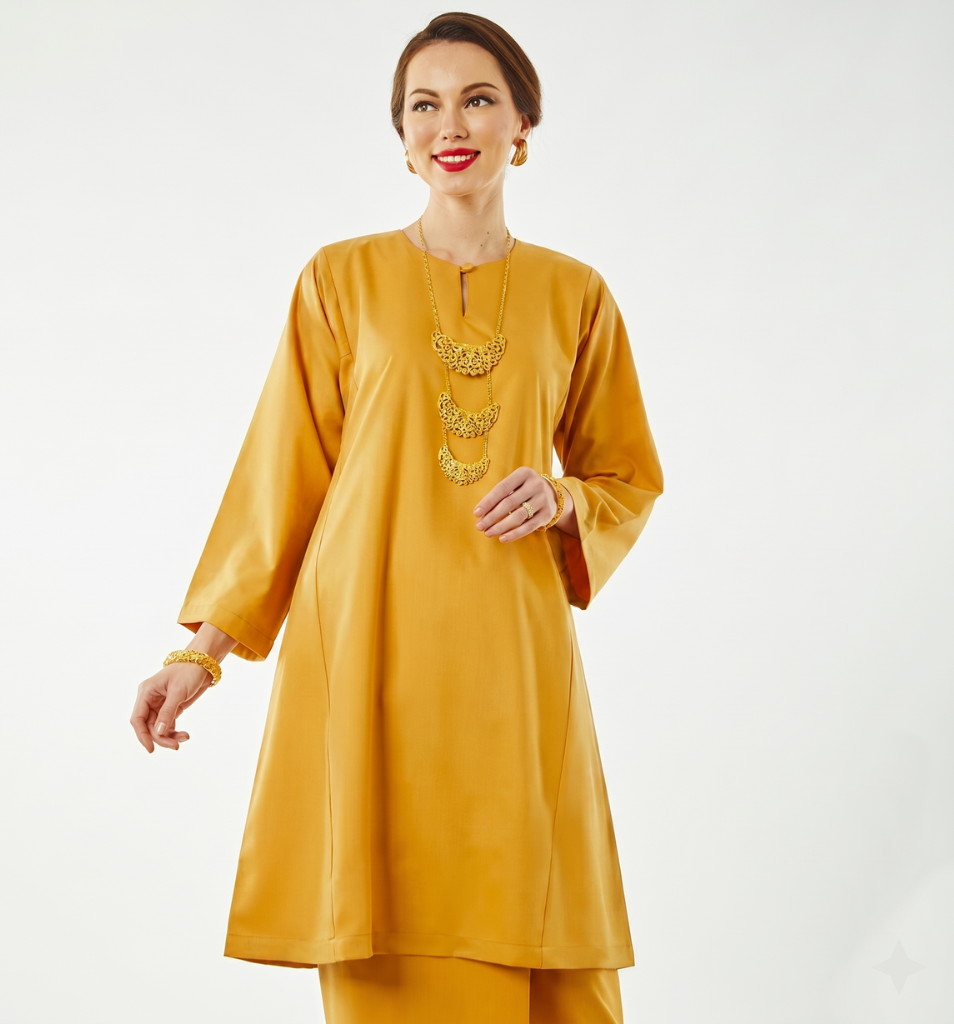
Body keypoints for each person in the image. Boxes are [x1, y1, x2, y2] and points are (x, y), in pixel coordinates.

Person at [130, 12, 663, 1023]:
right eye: (425, 105)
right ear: (402, 134)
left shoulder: (576, 295)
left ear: (523, 124)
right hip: (366, 655)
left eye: (477, 99)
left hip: (513, 667)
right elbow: (282, 475)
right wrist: (200, 653)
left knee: (537, 924)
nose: (449, 124)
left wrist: (564, 498)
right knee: (386, 928)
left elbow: (624, 476)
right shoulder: (339, 280)